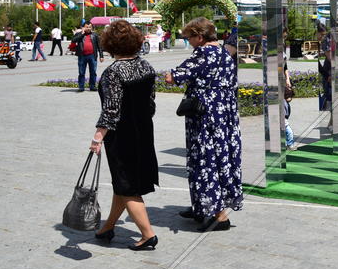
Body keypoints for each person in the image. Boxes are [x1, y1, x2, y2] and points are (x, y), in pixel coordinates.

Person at [165, 18, 241, 231]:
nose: (188, 41)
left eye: (189, 37)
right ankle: (201, 207)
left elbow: (175, 77)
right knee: (221, 159)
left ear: (200, 36)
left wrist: (169, 76)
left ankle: (219, 217)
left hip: (205, 116)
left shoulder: (202, 53)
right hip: (225, 115)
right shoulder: (225, 53)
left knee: (205, 161)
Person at [89, 20, 159, 251]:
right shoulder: (146, 66)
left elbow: (111, 110)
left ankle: (148, 234)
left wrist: (97, 137)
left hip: (122, 135)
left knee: (127, 185)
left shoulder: (113, 72)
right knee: (124, 182)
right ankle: (108, 227)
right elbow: (150, 103)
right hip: (143, 130)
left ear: (110, 45)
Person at [72, 22, 104, 92]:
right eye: (87, 27)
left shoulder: (95, 35)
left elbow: (99, 46)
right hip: (82, 56)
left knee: (93, 72)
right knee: (81, 72)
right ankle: (81, 87)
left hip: (92, 56)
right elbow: (73, 40)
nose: (88, 28)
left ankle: (92, 86)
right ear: (83, 27)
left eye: (90, 27)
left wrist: (101, 56)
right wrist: (82, 34)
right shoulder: (79, 34)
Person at [283, 70, 297, 150]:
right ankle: (290, 145)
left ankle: (287, 144)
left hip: (283, 120)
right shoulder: (283, 102)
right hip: (283, 120)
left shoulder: (285, 102)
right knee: (289, 132)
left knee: (286, 133)